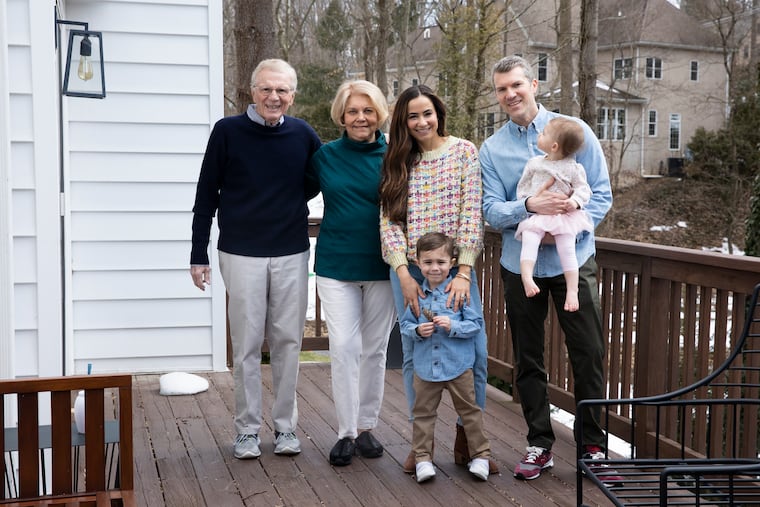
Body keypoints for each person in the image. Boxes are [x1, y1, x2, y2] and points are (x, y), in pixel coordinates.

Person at [480, 55, 620, 485]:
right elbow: (489, 210)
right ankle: (539, 443)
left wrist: (569, 226)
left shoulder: (573, 131)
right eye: (502, 89)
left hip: (573, 260)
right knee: (528, 358)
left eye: (517, 85)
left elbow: (600, 194)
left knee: (589, 353)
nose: (510, 94)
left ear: (534, 84)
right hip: (518, 265)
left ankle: (593, 447)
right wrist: (528, 207)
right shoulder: (492, 149)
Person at [190, 58, 321, 460]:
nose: (274, 97)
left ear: (292, 96)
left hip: (291, 250)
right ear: (252, 91)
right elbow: (206, 194)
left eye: (282, 90)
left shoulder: (304, 134)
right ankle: (246, 430)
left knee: (287, 342)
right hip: (240, 252)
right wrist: (198, 253)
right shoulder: (227, 132)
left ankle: (285, 429)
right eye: (266, 89)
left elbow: (317, 182)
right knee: (246, 344)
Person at [379, 85, 498, 474]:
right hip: (410, 271)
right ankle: (421, 447)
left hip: (455, 270)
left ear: (438, 113)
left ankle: (469, 440)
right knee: (415, 352)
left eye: (426, 113)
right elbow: (389, 222)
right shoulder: (398, 159)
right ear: (403, 121)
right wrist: (402, 270)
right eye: (412, 116)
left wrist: (464, 271)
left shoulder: (464, 151)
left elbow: (471, 214)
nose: (421, 122)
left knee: (474, 350)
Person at [309, 80, 397, 466]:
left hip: (384, 264)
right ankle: (345, 432)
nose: (360, 118)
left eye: (367, 110)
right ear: (341, 117)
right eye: (352, 111)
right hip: (336, 264)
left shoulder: (398, 153)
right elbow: (291, 192)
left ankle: (366, 428)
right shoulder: (324, 156)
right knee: (344, 347)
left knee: (374, 350)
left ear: (379, 113)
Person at [399, 232, 491, 483]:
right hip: (426, 367)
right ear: (418, 264)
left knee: (470, 411)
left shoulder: (460, 292)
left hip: (458, 365)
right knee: (423, 414)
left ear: (451, 262)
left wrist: (453, 325)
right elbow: (405, 325)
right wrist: (417, 330)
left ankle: (480, 455)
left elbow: (475, 324)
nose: (435, 268)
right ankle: (423, 459)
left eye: (440, 262)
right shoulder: (416, 295)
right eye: (428, 262)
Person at [516, 117, 594, 312]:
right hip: (539, 214)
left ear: (554, 145)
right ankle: (527, 277)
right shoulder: (534, 164)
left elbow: (584, 190)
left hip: (564, 217)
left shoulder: (573, 168)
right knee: (529, 239)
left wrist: (574, 202)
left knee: (567, 250)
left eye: (543, 134)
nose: (539, 135)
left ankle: (572, 290)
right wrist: (532, 200)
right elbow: (522, 188)